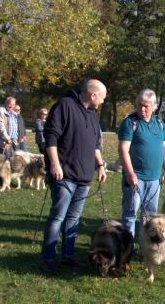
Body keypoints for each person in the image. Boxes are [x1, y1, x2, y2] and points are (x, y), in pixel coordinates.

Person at [40, 79, 107, 275]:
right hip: (65, 175)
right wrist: (54, 164)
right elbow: (51, 137)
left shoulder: (93, 115)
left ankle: (68, 256)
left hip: (84, 177)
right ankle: (48, 258)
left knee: (73, 219)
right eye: (102, 97)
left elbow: (95, 144)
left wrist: (100, 166)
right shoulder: (65, 106)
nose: (102, 101)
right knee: (57, 217)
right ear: (93, 95)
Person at [118, 89, 165, 240]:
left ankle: (144, 246)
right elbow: (123, 150)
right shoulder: (130, 123)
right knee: (130, 214)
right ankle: (128, 248)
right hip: (135, 178)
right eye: (140, 105)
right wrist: (130, 173)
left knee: (149, 216)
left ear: (154, 106)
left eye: (146, 106)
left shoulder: (159, 124)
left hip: (154, 179)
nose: (142, 109)